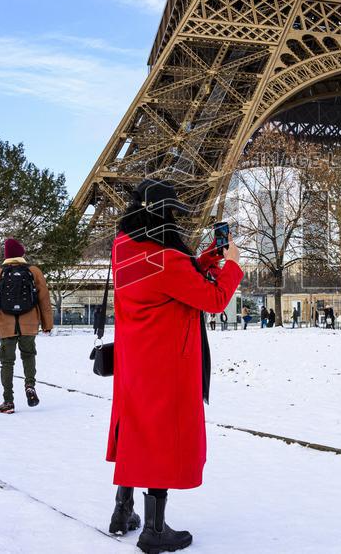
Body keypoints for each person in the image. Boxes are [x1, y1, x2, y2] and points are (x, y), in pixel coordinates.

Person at [108, 179, 242, 553]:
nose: (175, 221)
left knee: (136, 433)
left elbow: (168, 278)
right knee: (163, 441)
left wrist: (203, 261)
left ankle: (123, 511)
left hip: (134, 360)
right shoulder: (168, 261)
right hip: (168, 363)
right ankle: (154, 530)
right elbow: (214, 299)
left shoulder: (122, 249)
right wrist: (230, 265)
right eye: (170, 214)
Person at [0, 238, 54, 414]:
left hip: (5, 325)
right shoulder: (34, 271)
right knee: (28, 355)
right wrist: (47, 324)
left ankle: (8, 401)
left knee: (7, 362)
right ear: (21, 254)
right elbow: (44, 299)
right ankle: (30, 385)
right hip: (29, 323)